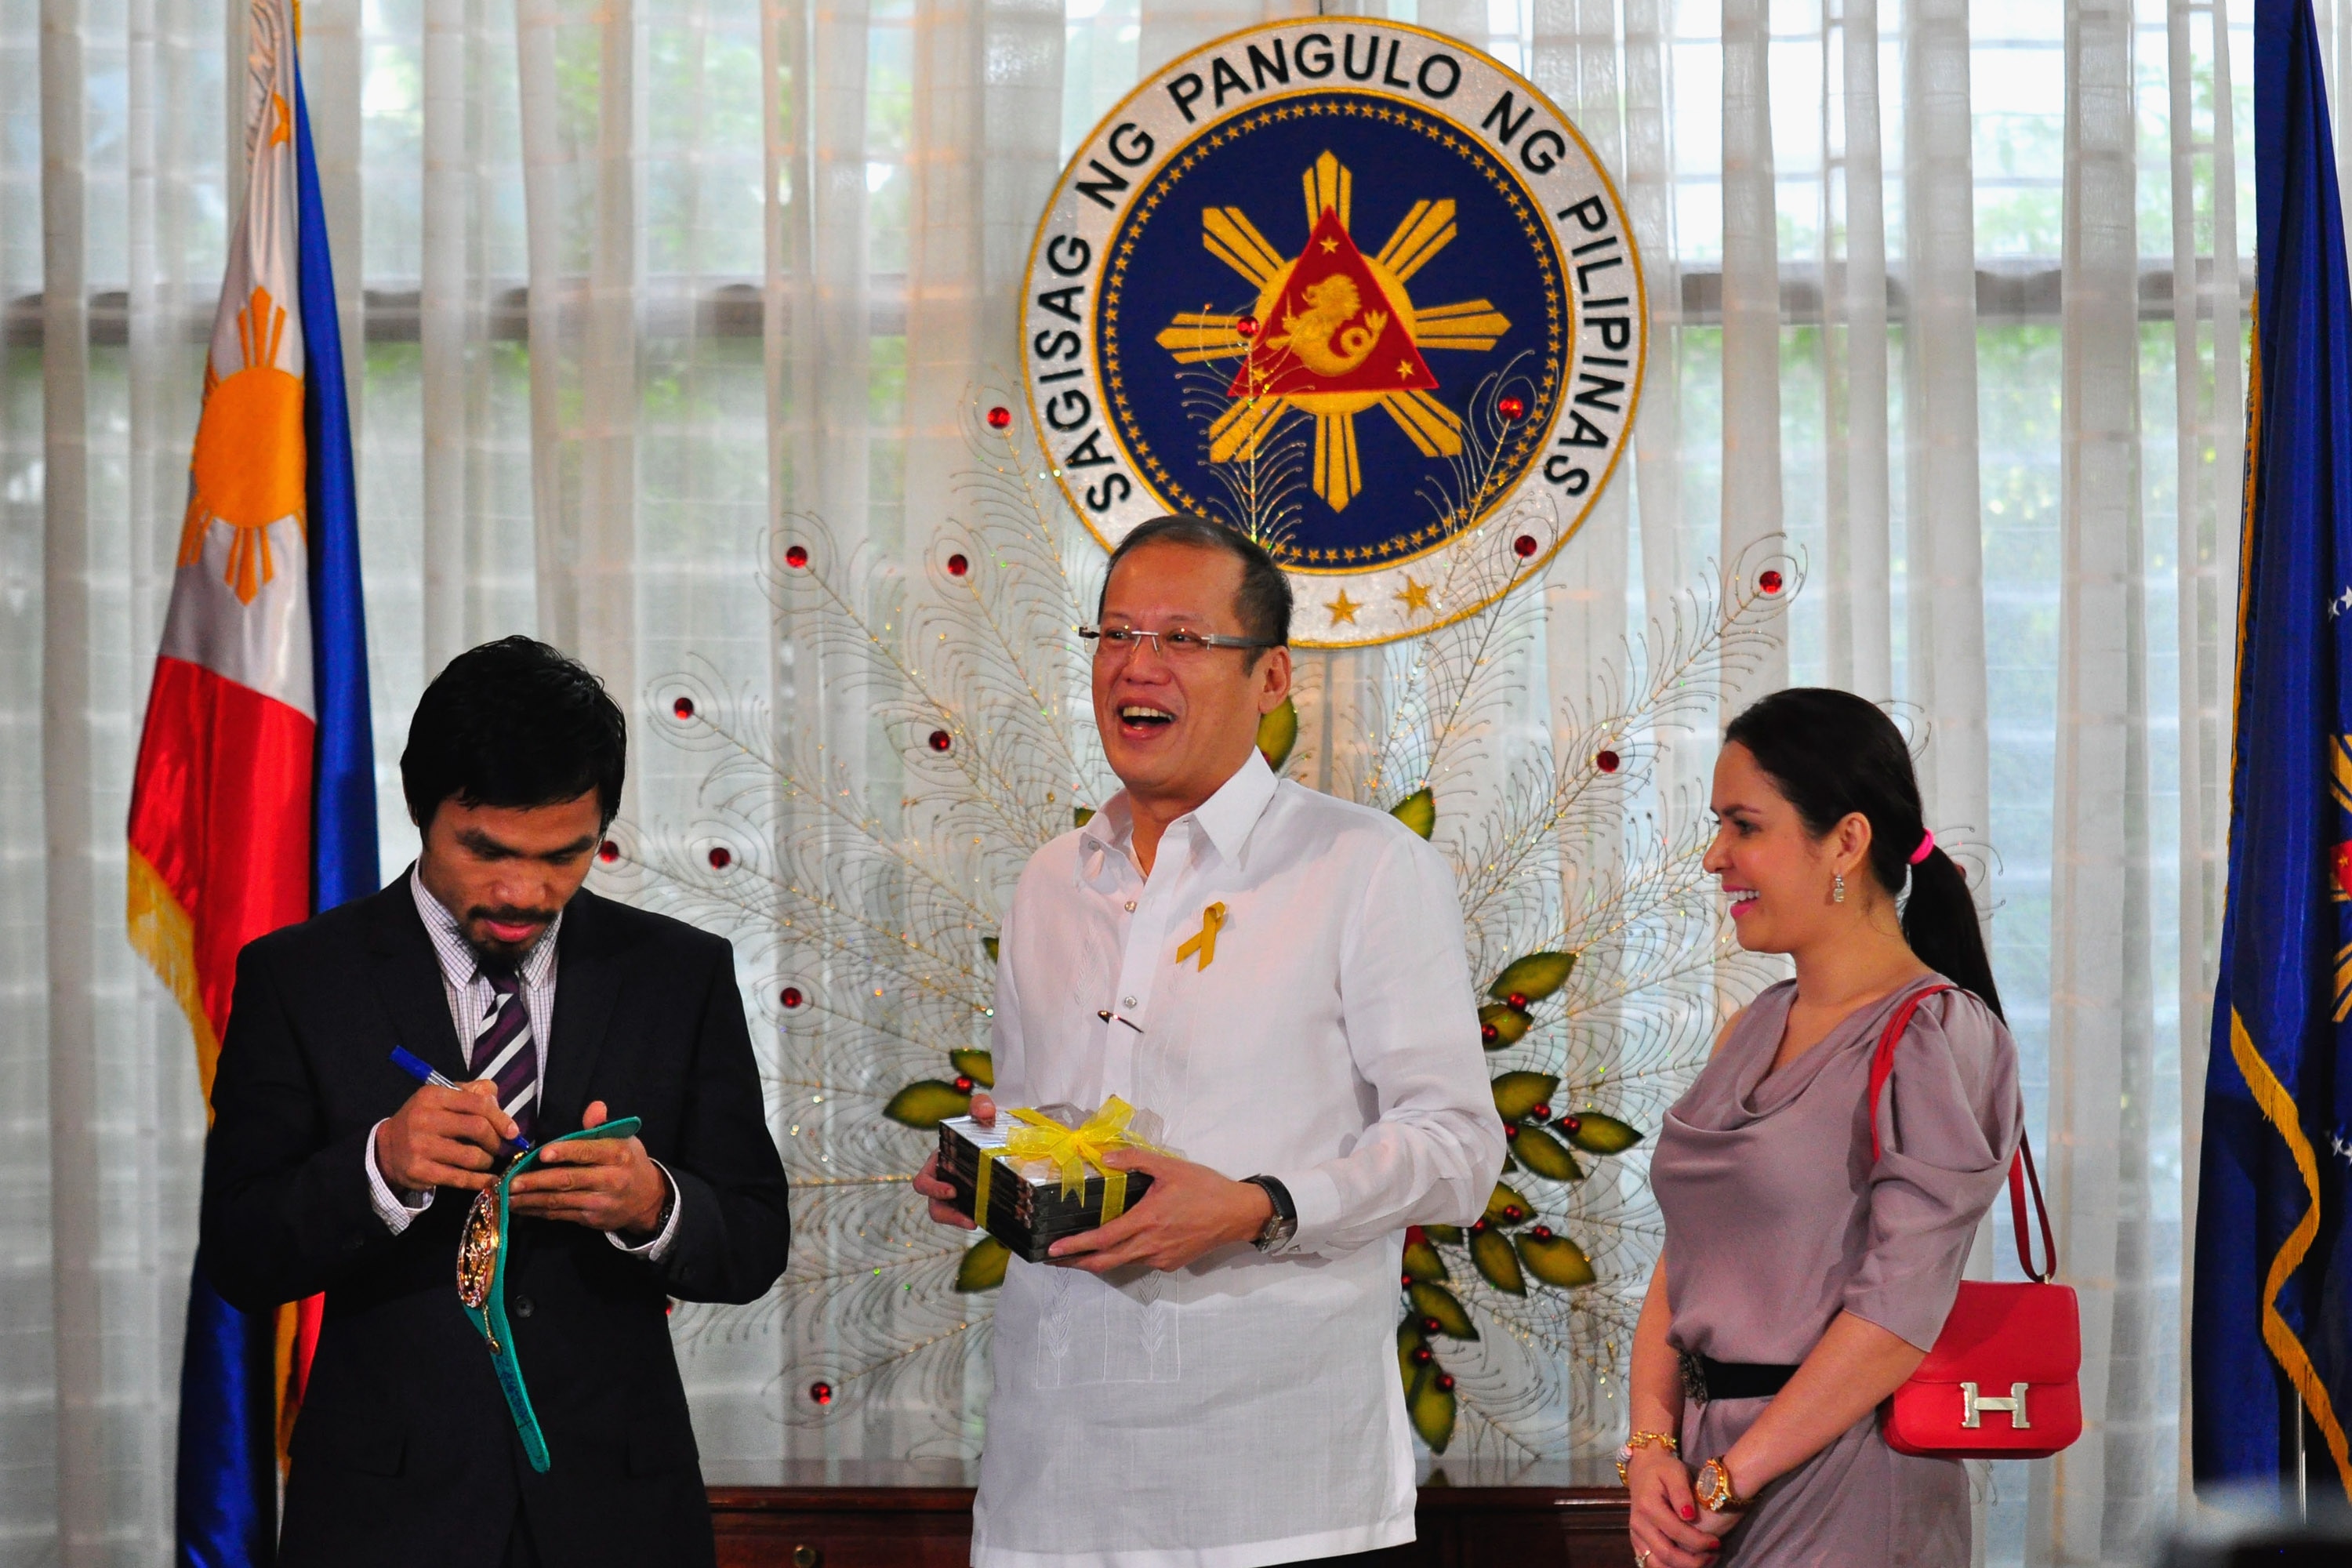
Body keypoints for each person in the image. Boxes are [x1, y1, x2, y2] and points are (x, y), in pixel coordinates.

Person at [912, 514, 1506, 1567]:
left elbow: (1460, 1150)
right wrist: (1001, 1174)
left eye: (1183, 639)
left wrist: (1259, 1207)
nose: (1138, 667)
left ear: (1272, 678)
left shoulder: (1365, 866)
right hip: (1053, 1486)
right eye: (1115, 635)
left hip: (1280, 1492)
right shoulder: (1053, 879)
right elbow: (1061, 1133)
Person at [198, 636, 792, 1568]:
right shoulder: (301, 978)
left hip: (622, 1515)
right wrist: (380, 1165)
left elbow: (755, 1239)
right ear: (421, 810)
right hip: (384, 1519)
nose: (523, 891)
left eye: (567, 854)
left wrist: (655, 1205)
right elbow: (240, 1251)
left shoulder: (680, 973)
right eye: (485, 850)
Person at [1622, 688, 2024, 1568]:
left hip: (1846, 1476)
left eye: (1743, 825)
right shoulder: (1750, 1026)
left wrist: (1731, 1479)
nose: (1713, 856)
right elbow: (1687, 1255)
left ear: (1845, 839)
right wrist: (1652, 1447)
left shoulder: (1934, 1032)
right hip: (1711, 1478)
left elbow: (1897, 1310)